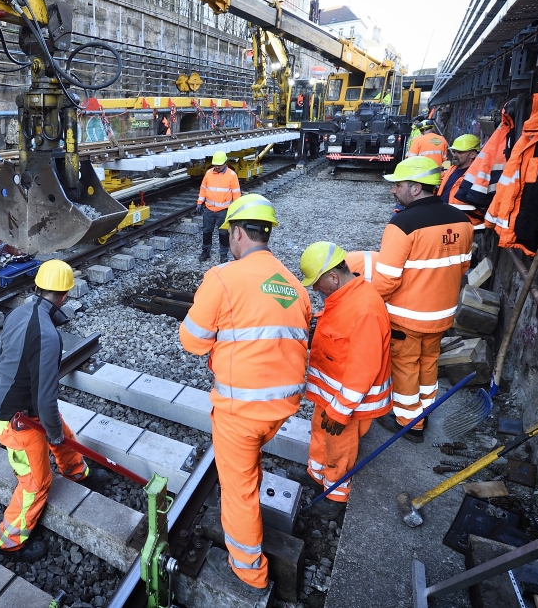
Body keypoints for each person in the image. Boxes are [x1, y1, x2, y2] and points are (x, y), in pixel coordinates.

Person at [180, 194, 311, 595]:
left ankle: (248, 570)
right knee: (249, 464)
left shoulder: (223, 278)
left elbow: (192, 341)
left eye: (229, 235)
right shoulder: (293, 285)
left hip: (241, 413)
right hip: (282, 408)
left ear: (237, 233)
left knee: (239, 491)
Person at [0, 260, 107, 562]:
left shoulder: (18, 312)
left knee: (63, 431)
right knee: (36, 484)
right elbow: (45, 399)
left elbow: (7, 358)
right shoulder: (49, 337)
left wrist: (55, 431)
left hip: (17, 406)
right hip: (16, 421)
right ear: (64, 295)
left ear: (37, 287)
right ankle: (10, 542)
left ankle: (77, 472)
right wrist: (51, 435)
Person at [371, 157, 473, 442]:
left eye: (398, 185)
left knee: (405, 367)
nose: (394, 191)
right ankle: (425, 410)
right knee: (429, 363)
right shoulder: (461, 220)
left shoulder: (402, 224)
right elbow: (463, 267)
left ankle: (409, 423)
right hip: (442, 315)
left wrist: (369, 306)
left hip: (408, 317)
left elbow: (386, 280)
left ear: (416, 188)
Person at [299, 242, 391, 517]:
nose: (315, 290)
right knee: (319, 434)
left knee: (340, 447)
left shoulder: (365, 310)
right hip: (329, 396)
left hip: (347, 404)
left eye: (317, 284)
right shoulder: (344, 297)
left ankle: (335, 496)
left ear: (333, 277)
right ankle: (316, 477)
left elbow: (364, 369)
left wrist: (340, 411)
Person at [195, 151, 241, 263]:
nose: (217, 167)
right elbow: (203, 189)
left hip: (224, 210)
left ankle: (223, 254)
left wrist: (236, 210)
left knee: (224, 233)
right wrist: (199, 203)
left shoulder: (232, 175)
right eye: (215, 164)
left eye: (219, 165)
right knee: (206, 231)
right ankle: (205, 251)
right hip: (209, 209)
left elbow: (236, 194)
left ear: (225, 163)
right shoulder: (209, 173)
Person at [439, 134, 485, 231]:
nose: (455, 155)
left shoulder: (478, 176)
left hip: (466, 226)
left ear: (472, 154)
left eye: (460, 152)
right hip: (448, 221)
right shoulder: (453, 168)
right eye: (455, 151)